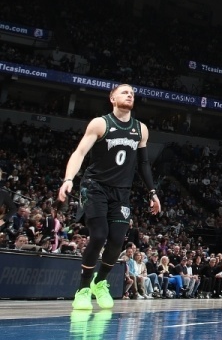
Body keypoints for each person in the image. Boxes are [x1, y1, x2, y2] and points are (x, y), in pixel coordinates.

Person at [57, 84, 162, 310]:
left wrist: (152, 192)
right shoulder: (100, 123)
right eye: (124, 92)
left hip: (121, 191)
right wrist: (68, 179)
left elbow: (144, 163)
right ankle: (83, 289)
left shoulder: (141, 129)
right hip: (95, 186)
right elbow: (80, 152)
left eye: (132, 93)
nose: (129, 95)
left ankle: (100, 282)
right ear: (112, 98)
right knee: (99, 235)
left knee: (117, 240)